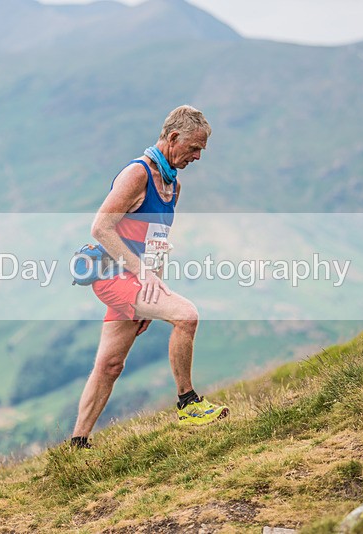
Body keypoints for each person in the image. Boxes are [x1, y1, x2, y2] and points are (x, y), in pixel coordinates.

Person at [71, 105, 229, 449]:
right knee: (186, 316)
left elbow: (156, 241)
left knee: (110, 364)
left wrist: (153, 286)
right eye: (194, 147)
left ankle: (77, 444)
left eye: (201, 150)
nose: (198, 156)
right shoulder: (137, 174)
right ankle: (188, 404)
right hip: (112, 275)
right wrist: (142, 275)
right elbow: (101, 227)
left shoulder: (173, 186)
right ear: (173, 137)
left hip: (136, 280)